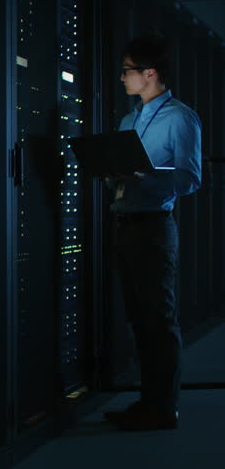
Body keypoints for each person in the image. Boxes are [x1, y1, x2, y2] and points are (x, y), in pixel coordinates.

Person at [102, 34, 202, 431]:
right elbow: (123, 181)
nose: (122, 78)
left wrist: (143, 177)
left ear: (150, 73)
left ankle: (163, 408)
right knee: (140, 320)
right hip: (125, 225)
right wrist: (115, 175)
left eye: (127, 70)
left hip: (154, 229)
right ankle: (149, 402)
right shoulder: (129, 120)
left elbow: (190, 178)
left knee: (158, 321)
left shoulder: (180, 117)